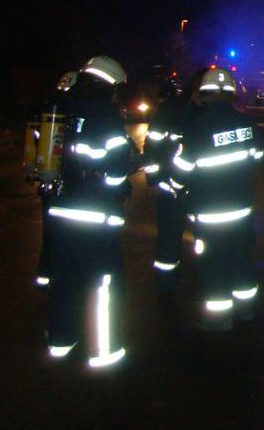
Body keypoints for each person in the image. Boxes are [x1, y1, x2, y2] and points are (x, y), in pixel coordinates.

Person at [45, 56, 133, 367]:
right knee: (102, 284)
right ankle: (103, 350)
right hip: (96, 216)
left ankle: (60, 341)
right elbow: (118, 171)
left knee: (64, 280)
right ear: (110, 85)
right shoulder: (106, 117)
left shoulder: (65, 108)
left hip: (60, 211)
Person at [171, 68, 263, 330]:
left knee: (214, 266)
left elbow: (182, 173)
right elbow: (257, 157)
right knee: (242, 260)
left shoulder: (196, 129)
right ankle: (247, 311)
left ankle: (219, 320)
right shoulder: (248, 124)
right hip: (242, 210)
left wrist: (174, 187)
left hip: (211, 214)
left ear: (204, 95)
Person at [142, 68, 207, 300]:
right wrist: (157, 179)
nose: (202, 94)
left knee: (205, 238)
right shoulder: (170, 111)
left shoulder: (211, 114)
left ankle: (205, 279)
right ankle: (166, 286)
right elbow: (151, 147)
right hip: (170, 190)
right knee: (169, 240)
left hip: (202, 191)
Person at [34, 70, 78, 288]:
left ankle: (45, 277)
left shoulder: (45, 109)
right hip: (65, 183)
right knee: (63, 234)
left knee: (48, 233)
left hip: (46, 181)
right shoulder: (73, 110)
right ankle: (60, 278)